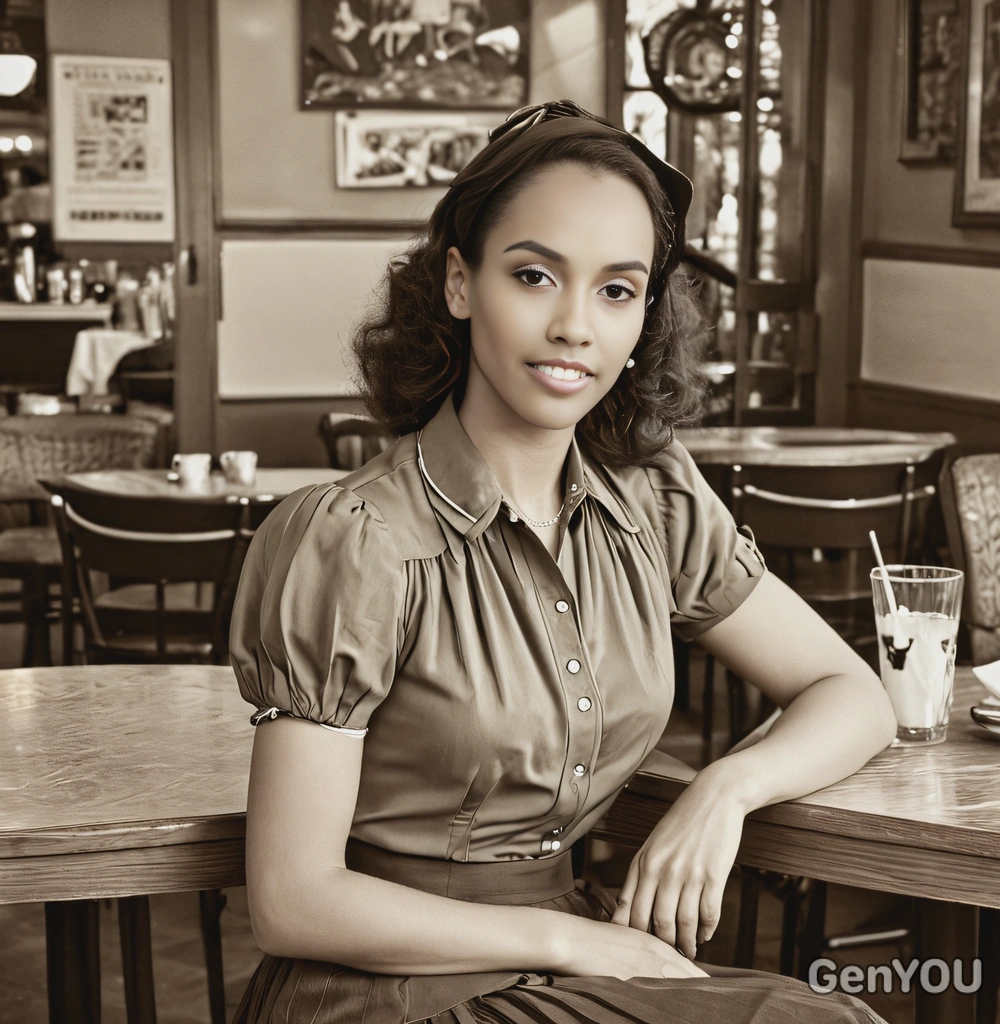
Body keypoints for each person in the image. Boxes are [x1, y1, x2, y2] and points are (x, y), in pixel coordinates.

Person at [229, 99, 896, 1024]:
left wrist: (726, 788)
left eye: (617, 290)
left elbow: (852, 691)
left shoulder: (652, 500)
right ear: (460, 284)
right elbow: (293, 901)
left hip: (567, 959)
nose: (576, 325)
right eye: (536, 275)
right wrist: (581, 941)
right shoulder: (355, 538)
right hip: (380, 991)